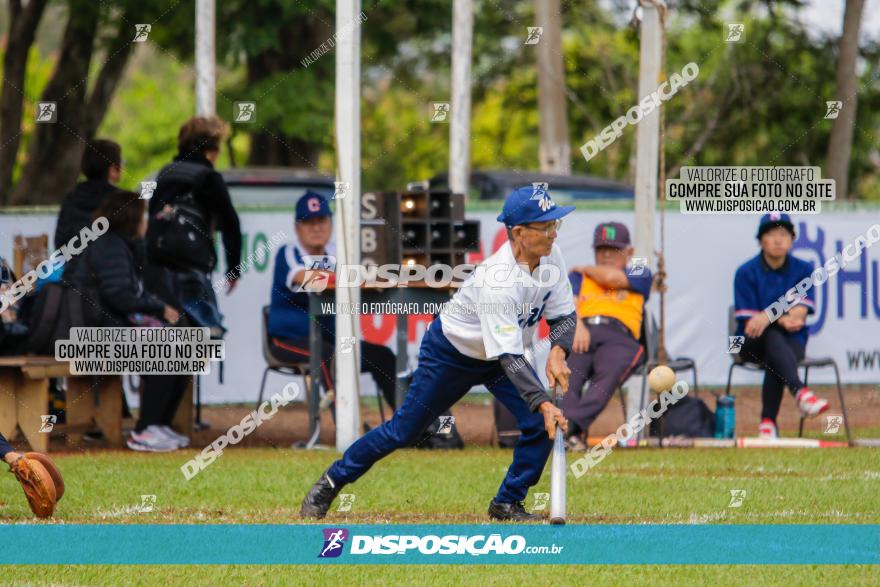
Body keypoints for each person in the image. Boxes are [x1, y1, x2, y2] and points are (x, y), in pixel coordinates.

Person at [300, 185, 576, 522]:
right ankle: (331, 480)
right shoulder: (497, 281)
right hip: (453, 353)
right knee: (404, 431)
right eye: (545, 226)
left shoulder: (553, 256)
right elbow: (510, 357)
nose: (553, 233)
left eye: (554, 225)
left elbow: (564, 315)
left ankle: (507, 502)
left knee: (537, 423)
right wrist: (545, 401)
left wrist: (559, 351)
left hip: (501, 356)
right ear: (518, 233)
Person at [66, 190, 188, 452]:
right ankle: (144, 430)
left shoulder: (116, 243)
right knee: (171, 348)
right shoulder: (109, 246)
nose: (146, 221)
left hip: (104, 330)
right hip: (93, 337)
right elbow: (119, 296)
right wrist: (159, 308)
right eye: (143, 215)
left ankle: (158, 424)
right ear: (131, 218)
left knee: (183, 347)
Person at [268, 192, 398, 414]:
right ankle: (347, 428)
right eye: (308, 222)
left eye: (321, 220)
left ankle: (413, 428)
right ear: (297, 227)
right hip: (287, 340)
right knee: (327, 354)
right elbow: (303, 278)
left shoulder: (339, 251)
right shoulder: (288, 252)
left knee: (383, 356)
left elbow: (367, 274)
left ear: (330, 222)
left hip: (331, 338)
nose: (316, 228)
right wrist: (344, 276)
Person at [733, 213, 829, 438]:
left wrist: (767, 316)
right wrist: (777, 318)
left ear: (792, 240)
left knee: (774, 347)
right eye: (771, 233)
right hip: (742, 342)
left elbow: (798, 316)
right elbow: (750, 324)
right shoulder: (745, 272)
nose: (778, 239)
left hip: (791, 342)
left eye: (783, 234)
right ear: (760, 240)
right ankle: (800, 393)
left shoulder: (804, 270)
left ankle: (768, 424)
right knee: (770, 335)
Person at [146, 116, 242, 339]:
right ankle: (187, 375)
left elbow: (152, 217)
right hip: (192, 270)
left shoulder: (165, 174)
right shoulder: (209, 178)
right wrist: (234, 269)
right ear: (212, 150)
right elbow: (230, 223)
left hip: (158, 272)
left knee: (162, 338)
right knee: (201, 337)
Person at [562, 222, 651, 451]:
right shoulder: (578, 278)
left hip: (621, 337)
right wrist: (578, 326)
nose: (607, 255)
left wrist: (587, 268)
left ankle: (569, 429)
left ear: (629, 253)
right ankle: (570, 435)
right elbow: (568, 306)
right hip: (584, 331)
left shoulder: (639, 270)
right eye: (602, 249)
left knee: (607, 377)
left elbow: (613, 279)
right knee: (568, 374)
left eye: (614, 249)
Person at [54, 139, 122, 251]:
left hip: (74, 267)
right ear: (112, 169)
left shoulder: (71, 198)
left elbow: (60, 242)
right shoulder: (122, 201)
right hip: (113, 267)